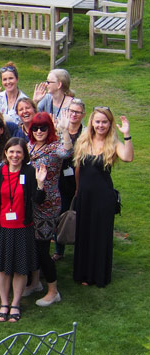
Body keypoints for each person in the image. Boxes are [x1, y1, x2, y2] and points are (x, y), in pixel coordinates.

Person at [72, 107, 133, 287]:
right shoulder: (83, 141)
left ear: (109, 124)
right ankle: (83, 274)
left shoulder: (113, 143)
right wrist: (77, 191)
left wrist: (127, 135)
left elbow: (128, 157)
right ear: (92, 122)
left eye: (104, 122)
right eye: (97, 121)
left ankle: (99, 275)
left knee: (100, 235)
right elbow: (78, 169)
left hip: (103, 197)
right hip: (84, 196)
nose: (100, 125)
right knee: (84, 234)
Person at [0, 137, 46, 323]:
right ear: (5, 152)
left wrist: (40, 184)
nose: (15, 155)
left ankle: (15, 303)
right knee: (3, 269)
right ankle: (4, 303)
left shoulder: (29, 172)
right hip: (3, 228)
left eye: (18, 152)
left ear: (24, 154)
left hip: (23, 228)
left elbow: (38, 200)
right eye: (11, 151)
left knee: (20, 268)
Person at [23, 112, 72, 306]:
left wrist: (66, 130)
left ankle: (53, 290)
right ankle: (35, 283)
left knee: (43, 249)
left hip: (48, 204)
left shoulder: (54, 147)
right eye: (35, 128)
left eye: (43, 127)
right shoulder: (29, 146)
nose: (39, 131)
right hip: (31, 201)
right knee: (33, 246)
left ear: (49, 129)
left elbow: (67, 152)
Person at [53, 98, 86, 261]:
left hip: (81, 177)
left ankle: (80, 246)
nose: (73, 115)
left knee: (79, 212)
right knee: (60, 212)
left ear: (83, 115)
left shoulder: (86, 133)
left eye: (77, 112)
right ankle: (59, 248)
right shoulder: (58, 130)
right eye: (71, 111)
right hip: (59, 178)